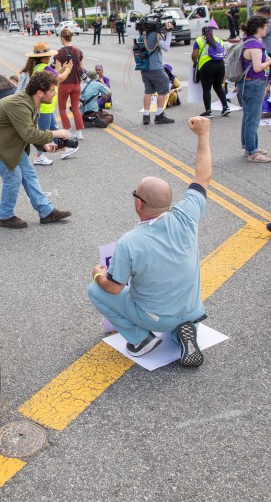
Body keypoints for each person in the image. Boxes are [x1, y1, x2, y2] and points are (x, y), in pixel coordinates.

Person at [87, 117, 213, 367]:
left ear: (138, 203)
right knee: (178, 311)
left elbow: (112, 288)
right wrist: (203, 135)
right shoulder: (187, 215)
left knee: (95, 290)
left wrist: (97, 275)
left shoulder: (130, 242)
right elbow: (203, 177)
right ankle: (184, 333)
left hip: (155, 318)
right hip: (193, 310)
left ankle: (140, 339)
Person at [0, 71, 72, 229]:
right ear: (40, 92)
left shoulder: (32, 102)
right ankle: (5, 216)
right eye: (52, 91)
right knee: (13, 177)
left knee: (28, 173)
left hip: (8, 141)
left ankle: (46, 212)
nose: (54, 94)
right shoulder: (20, 104)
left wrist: (45, 145)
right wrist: (55, 133)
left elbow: (29, 129)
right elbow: (29, 134)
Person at [18, 42, 74, 165]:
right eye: (49, 55)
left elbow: (54, 74)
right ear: (45, 57)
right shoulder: (44, 67)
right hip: (44, 106)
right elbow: (59, 78)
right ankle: (39, 155)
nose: (50, 57)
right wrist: (68, 69)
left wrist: (63, 68)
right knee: (44, 132)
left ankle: (64, 149)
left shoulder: (38, 67)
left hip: (45, 105)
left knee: (53, 128)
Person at [237, 15, 271, 163]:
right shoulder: (255, 44)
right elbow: (257, 67)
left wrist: (267, 60)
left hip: (246, 83)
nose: (267, 29)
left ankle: (248, 146)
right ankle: (252, 152)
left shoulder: (247, 41)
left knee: (248, 117)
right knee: (253, 119)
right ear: (259, 28)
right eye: (265, 26)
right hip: (254, 83)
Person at [137, 20, 175, 126]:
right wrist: (169, 32)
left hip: (144, 68)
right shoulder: (155, 35)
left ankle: (146, 115)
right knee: (163, 89)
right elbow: (166, 47)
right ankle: (159, 115)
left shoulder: (142, 35)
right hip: (156, 68)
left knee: (148, 91)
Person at [191, 20, 230, 118]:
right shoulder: (219, 39)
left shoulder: (199, 40)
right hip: (220, 65)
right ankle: (225, 107)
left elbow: (194, 54)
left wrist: (195, 62)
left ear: (202, 33)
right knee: (218, 86)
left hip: (207, 66)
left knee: (207, 89)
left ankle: (208, 111)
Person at [54, 29, 87, 136]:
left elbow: (58, 71)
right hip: (77, 83)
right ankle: (79, 132)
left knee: (62, 108)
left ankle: (67, 130)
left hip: (65, 84)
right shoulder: (78, 51)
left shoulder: (60, 53)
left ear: (62, 39)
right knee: (75, 107)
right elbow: (82, 68)